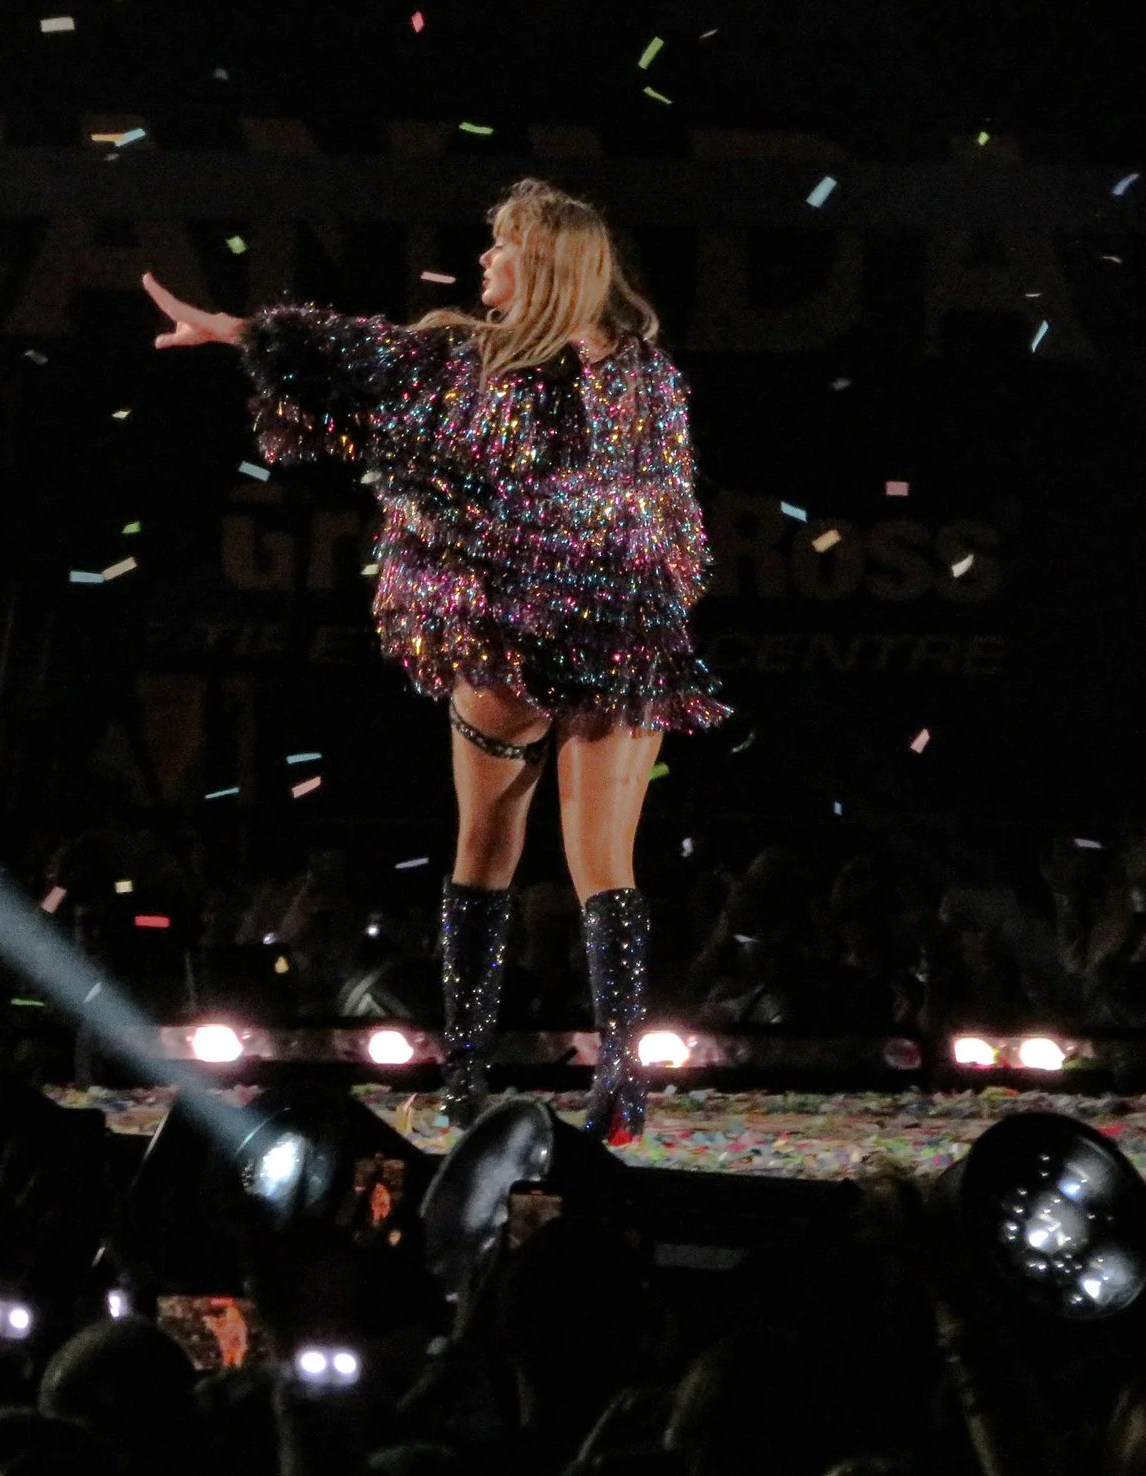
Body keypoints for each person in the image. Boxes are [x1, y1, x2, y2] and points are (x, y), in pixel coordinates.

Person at [142, 179, 725, 1141]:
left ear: (544, 262)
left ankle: (485, 1076)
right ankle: (596, 1082)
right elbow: (670, 518)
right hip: (598, 632)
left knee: (504, 853)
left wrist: (237, 330)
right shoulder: (617, 372)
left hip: (530, 630)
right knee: (579, 859)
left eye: (502, 245)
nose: (485, 258)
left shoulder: (487, 363)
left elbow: (349, 356)